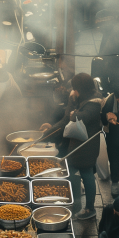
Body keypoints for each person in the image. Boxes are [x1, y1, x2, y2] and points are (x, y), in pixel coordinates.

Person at [40, 73, 103, 220]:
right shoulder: (76, 96)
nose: (73, 91)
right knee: (71, 172)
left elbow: (77, 117)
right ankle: (76, 204)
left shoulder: (95, 102)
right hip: (74, 142)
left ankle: (89, 209)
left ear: (82, 88)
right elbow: (65, 120)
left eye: (75, 88)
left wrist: (74, 108)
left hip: (87, 144)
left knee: (87, 173)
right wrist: (46, 135)